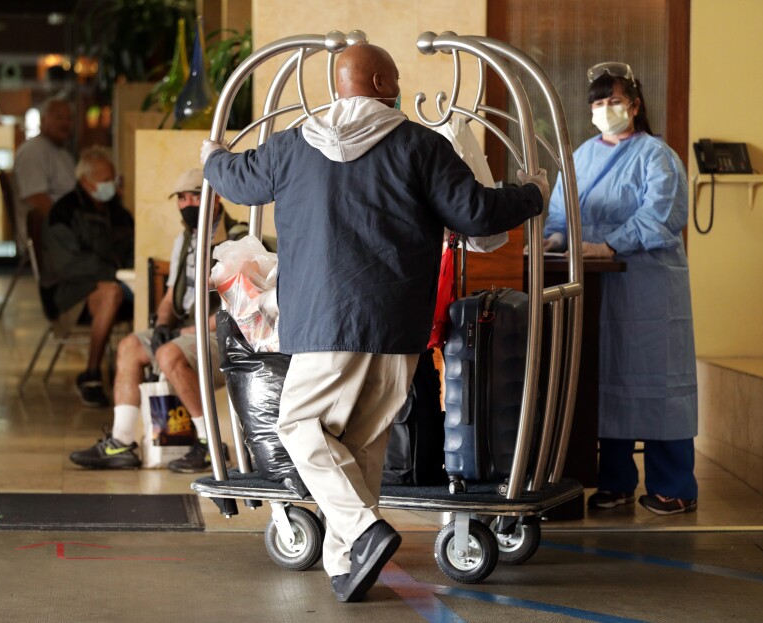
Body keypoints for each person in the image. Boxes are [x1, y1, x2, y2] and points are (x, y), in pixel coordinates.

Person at [202, 43, 548, 603]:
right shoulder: (421, 146)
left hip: (323, 322)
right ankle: (347, 566)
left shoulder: (293, 145)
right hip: (396, 325)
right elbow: (478, 214)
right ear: (385, 80)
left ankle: (362, 532)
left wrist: (213, 152)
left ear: (338, 86)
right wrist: (532, 192)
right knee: (360, 443)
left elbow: (236, 181)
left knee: (300, 428)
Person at [543, 62, 698, 516]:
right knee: (606, 380)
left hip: (648, 286)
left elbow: (662, 217)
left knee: (658, 383)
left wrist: (608, 244)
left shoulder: (657, 156)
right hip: (596, 287)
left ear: (634, 105)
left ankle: (675, 486)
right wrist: (554, 238)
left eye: (613, 101)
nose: (605, 109)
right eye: (597, 103)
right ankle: (615, 481)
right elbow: (559, 211)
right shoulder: (580, 157)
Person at [69, 168, 248, 471]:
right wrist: (162, 326)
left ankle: (210, 445)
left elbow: (242, 308)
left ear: (214, 198)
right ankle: (121, 442)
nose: (187, 203)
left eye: (194, 196)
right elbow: (169, 299)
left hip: (226, 336)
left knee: (169, 353)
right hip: (188, 332)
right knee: (130, 346)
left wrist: (191, 330)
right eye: (181, 198)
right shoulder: (185, 240)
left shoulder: (237, 239)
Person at [40, 146, 135, 408]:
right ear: (85, 181)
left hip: (118, 282)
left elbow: (132, 246)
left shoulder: (117, 211)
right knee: (111, 293)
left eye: (112, 179)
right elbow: (67, 264)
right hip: (69, 293)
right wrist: (113, 274)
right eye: (104, 180)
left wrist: (131, 270)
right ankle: (91, 374)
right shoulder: (64, 212)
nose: (110, 186)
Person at [13, 97, 77, 235]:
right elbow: (37, 198)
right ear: (43, 120)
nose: (65, 123)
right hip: (50, 232)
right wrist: (69, 226)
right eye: (59, 118)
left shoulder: (63, 153)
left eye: (69, 118)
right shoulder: (33, 152)